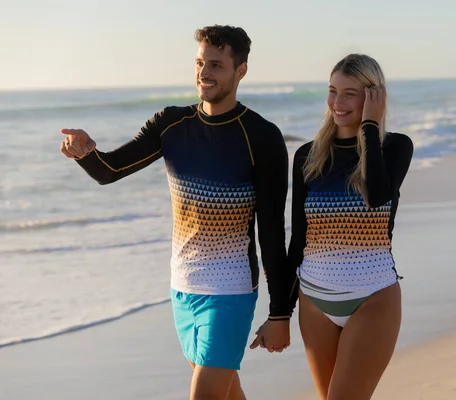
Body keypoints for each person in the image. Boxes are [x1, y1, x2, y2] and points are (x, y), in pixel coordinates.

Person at [59, 25, 295, 400]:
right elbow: (110, 170)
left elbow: (271, 232)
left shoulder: (261, 136)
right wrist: (84, 151)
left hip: (230, 289)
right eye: (200, 63)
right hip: (182, 286)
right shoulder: (171, 124)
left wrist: (280, 312)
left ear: (241, 70)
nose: (204, 72)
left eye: (216, 64)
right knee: (228, 394)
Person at [287, 54, 414, 400]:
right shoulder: (307, 156)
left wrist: (370, 128)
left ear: (374, 97)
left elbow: (376, 196)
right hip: (314, 301)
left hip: (372, 298)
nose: (337, 103)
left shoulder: (395, 147)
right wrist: (279, 313)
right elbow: (298, 237)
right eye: (332, 91)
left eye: (350, 93)